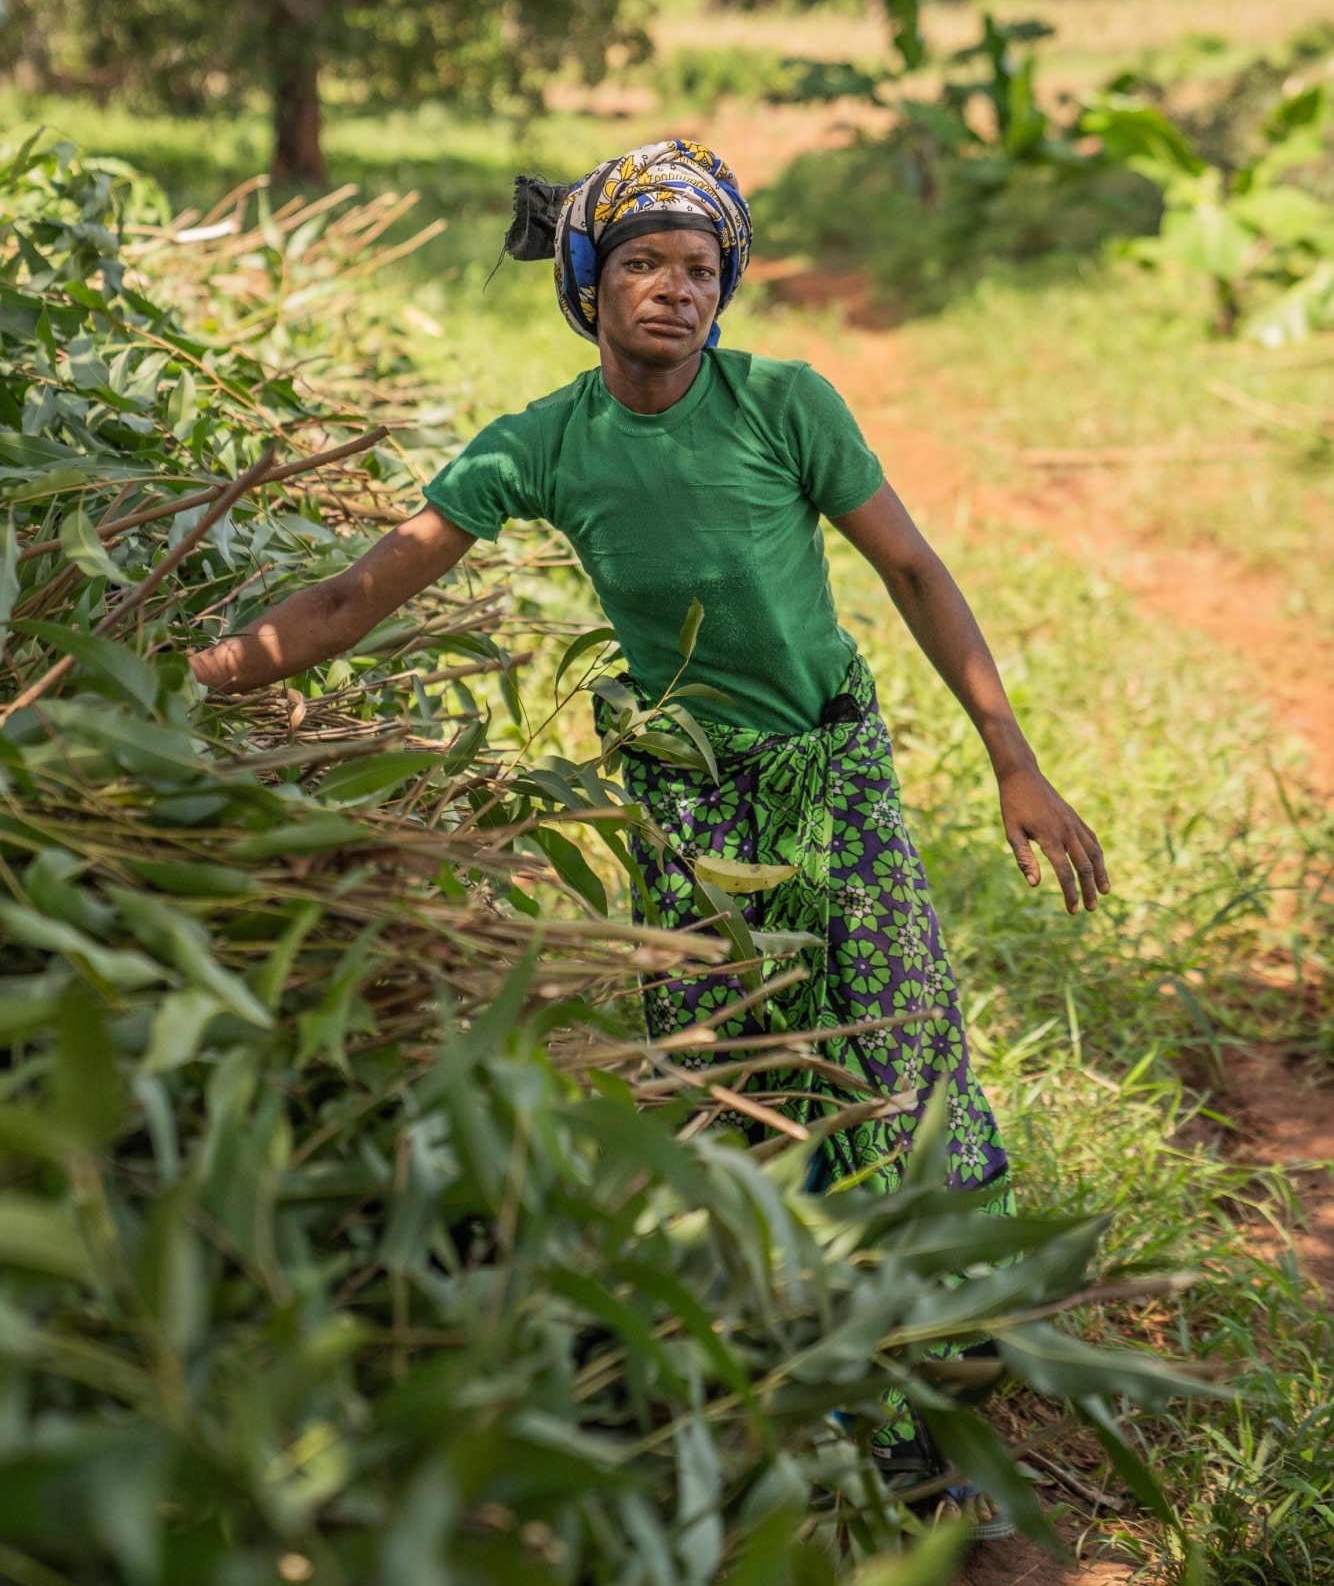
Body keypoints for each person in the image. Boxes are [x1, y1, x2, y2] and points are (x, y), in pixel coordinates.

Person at [190, 138, 1107, 1531]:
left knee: (895, 1049)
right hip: (683, 803)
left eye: (700, 268)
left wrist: (1013, 763)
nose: (675, 290)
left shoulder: (783, 405)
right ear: (587, 283)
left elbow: (911, 569)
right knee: (746, 1072)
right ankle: (824, 1397)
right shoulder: (540, 447)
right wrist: (181, 678)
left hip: (831, 780)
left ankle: (932, 1362)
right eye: (643, 263)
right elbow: (346, 600)